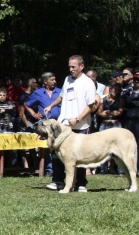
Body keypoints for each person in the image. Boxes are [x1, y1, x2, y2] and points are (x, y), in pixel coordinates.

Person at [44, 55, 96, 192]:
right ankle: (58, 181)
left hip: (80, 125)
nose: (71, 69)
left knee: (79, 155)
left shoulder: (87, 82)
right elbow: (62, 96)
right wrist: (51, 106)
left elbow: (91, 105)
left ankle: (81, 184)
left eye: (73, 66)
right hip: (63, 125)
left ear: (81, 66)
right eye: (69, 67)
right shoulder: (67, 80)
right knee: (57, 153)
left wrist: (77, 119)